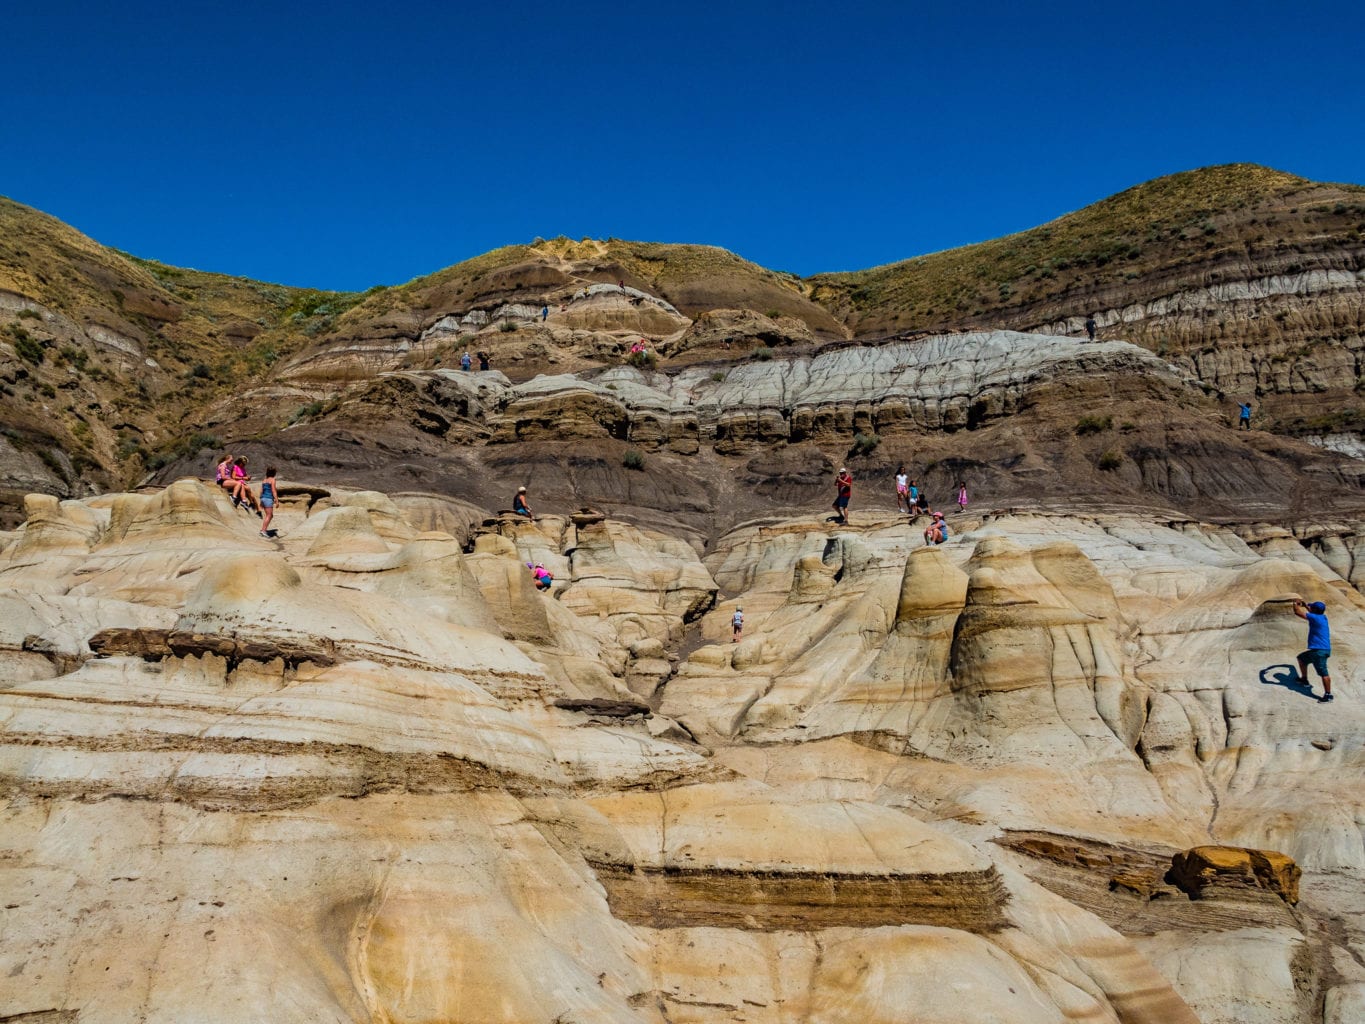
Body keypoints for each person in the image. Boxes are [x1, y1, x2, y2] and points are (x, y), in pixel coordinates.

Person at [1293, 599, 1333, 702]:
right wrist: (1306, 604)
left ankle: (1328, 695)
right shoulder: (1323, 617)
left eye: (1312, 607)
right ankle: (1304, 679)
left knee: (1324, 673)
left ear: (1314, 610)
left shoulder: (1314, 617)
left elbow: (1297, 612)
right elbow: (1312, 611)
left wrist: (1295, 604)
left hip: (1319, 651)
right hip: (1321, 649)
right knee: (1301, 659)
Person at [258, 466, 278, 537]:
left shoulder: (264, 480)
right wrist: (276, 500)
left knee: (270, 515)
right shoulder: (273, 480)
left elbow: (261, 491)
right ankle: (263, 531)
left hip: (263, 498)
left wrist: (261, 500)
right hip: (268, 498)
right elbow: (273, 490)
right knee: (269, 515)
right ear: (274, 473)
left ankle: (263, 529)